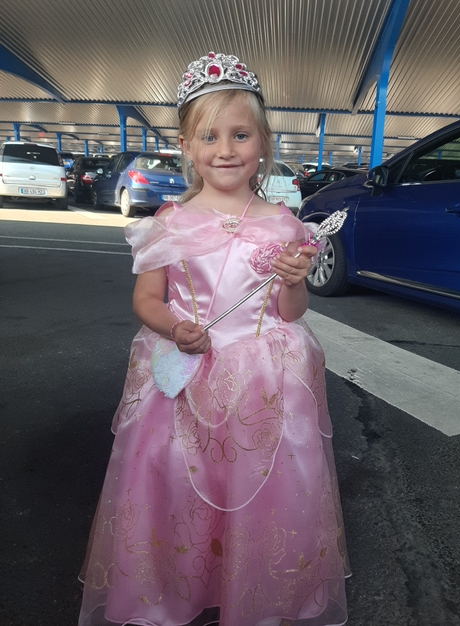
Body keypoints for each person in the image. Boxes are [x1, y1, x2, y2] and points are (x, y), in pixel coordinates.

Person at [78, 52, 349, 626]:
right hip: (188, 370)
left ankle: (255, 591)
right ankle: (174, 589)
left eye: (240, 135)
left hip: (264, 380)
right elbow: (147, 299)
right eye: (210, 137)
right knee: (179, 477)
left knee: (264, 482)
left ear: (263, 143)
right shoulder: (169, 222)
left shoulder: (284, 223)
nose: (225, 150)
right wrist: (172, 326)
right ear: (186, 145)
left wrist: (294, 281)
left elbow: (289, 312)